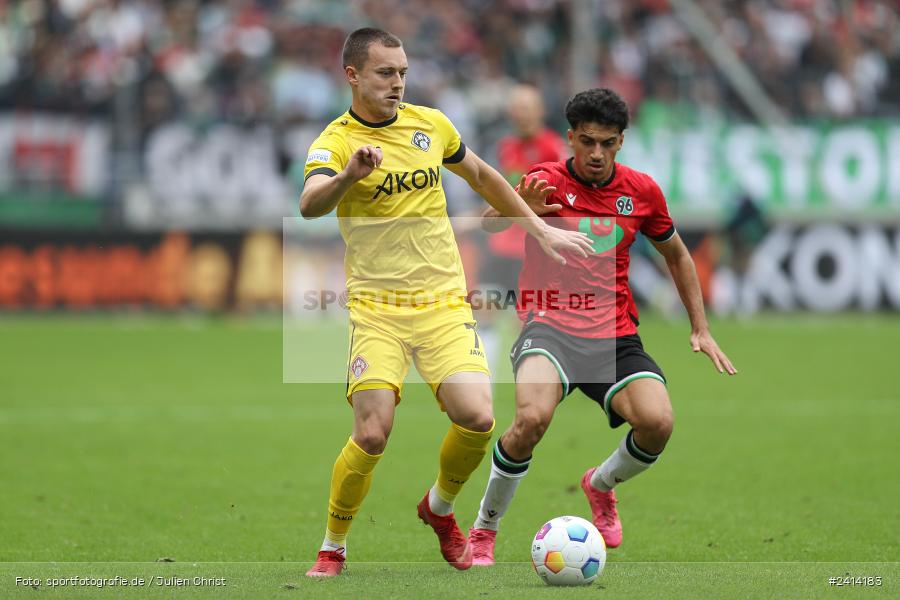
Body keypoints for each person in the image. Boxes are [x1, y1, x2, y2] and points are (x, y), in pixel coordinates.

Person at [299, 28, 593, 577]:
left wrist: (540, 229)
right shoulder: (335, 141)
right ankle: (332, 545)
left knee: (479, 417)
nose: (398, 83)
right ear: (353, 75)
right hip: (377, 309)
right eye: (386, 73)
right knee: (371, 432)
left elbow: (482, 176)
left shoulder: (431, 124)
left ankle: (439, 509)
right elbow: (310, 202)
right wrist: (347, 178)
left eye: (403, 72)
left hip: (442, 304)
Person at [467, 88, 737, 565]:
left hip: (613, 333)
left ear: (621, 142)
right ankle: (485, 528)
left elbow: (676, 253)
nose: (596, 153)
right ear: (570, 137)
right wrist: (515, 206)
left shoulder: (642, 191)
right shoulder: (543, 179)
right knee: (530, 420)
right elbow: (488, 228)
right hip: (547, 323)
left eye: (607, 143)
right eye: (587, 141)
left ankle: (600, 483)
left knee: (658, 423)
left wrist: (701, 327)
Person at [476, 84, 567, 370]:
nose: (522, 114)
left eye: (528, 108)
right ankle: (483, 383)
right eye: (517, 108)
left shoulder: (554, 148)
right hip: (500, 246)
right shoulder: (505, 148)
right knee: (484, 309)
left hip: (532, 248)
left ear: (540, 111)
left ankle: (531, 380)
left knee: (528, 321)